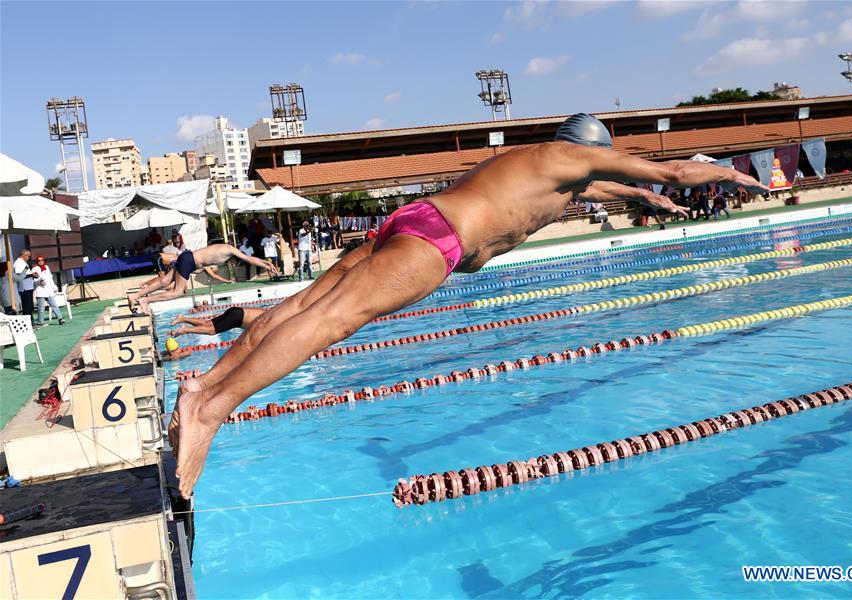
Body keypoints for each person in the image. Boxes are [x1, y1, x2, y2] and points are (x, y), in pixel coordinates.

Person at [169, 112, 767, 497]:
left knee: (300, 307)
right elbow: (670, 170)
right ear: (593, 149)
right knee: (329, 324)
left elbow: (611, 187)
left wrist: (644, 199)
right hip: (436, 242)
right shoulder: (572, 159)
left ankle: (203, 388)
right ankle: (210, 414)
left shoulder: (548, 170)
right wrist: (728, 176)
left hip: (414, 221)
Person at [127, 244, 278, 313]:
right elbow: (249, 259)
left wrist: (266, 263)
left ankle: (135, 296)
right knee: (177, 292)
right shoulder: (230, 249)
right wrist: (266, 264)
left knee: (164, 282)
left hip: (187, 258)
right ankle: (145, 300)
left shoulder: (225, 249)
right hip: (189, 261)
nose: (233, 264)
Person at [171, 306, 265, 337]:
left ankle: (183, 318)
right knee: (211, 331)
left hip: (237, 311)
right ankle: (186, 329)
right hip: (238, 317)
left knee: (207, 323)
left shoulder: (271, 313)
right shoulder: (273, 322)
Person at [31, 255, 65, 327]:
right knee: (41, 308)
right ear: (37, 262)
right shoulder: (34, 269)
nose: (40, 261)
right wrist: (40, 282)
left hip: (49, 290)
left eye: (42, 260)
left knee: (54, 305)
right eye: (39, 260)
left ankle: (60, 318)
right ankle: (41, 322)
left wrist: (54, 287)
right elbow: (34, 281)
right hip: (40, 291)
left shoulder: (47, 267)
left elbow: (50, 279)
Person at [12, 248, 36, 322]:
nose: (29, 258)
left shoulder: (22, 262)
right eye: (28, 256)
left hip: (28, 286)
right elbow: (19, 275)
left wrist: (32, 275)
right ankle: (28, 323)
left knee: (29, 306)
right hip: (24, 287)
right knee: (27, 306)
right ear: (24, 255)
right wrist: (31, 275)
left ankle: (31, 322)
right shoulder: (18, 263)